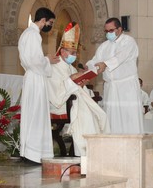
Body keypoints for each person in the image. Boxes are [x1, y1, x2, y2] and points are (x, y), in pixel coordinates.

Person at [47, 22, 110, 157]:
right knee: (86, 115)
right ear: (63, 52)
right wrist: (71, 79)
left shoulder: (73, 68)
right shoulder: (54, 67)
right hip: (62, 104)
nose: (74, 55)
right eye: (72, 52)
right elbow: (56, 93)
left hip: (76, 102)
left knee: (101, 115)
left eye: (75, 53)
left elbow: (79, 87)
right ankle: (84, 154)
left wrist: (83, 80)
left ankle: (98, 152)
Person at [86, 17, 143, 134]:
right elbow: (95, 61)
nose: (108, 33)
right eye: (106, 31)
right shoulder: (104, 46)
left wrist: (105, 64)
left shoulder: (128, 41)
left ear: (120, 29)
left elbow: (120, 57)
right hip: (111, 88)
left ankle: (132, 146)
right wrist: (88, 67)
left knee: (129, 117)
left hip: (126, 87)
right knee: (111, 118)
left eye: (111, 31)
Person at [18, 7, 60, 164]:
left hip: (32, 76)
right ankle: (34, 154)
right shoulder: (34, 35)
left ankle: (27, 151)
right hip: (36, 78)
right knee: (36, 114)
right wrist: (48, 59)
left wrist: (45, 59)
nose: (49, 26)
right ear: (43, 20)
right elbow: (36, 61)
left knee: (32, 113)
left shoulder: (27, 33)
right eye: (50, 22)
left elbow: (31, 59)